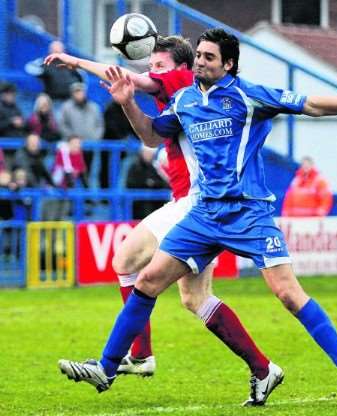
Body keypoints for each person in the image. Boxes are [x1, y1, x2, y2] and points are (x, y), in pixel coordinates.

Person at [57, 28, 337, 408]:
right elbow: (149, 135)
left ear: (228, 64)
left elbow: (310, 104)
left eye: (209, 58)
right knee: (146, 280)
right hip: (204, 214)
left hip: (248, 213)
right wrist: (128, 103)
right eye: (198, 56)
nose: (200, 63)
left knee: (289, 296)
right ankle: (108, 367)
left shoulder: (248, 96)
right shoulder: (184, 101)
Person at [47, 36, 274, 393]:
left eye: (160, 66)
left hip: (195, 202)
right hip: (193, 202)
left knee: (125, 259)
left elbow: (132, 79)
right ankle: (263, 369)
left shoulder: (184, 83)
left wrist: (77, 62)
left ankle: (138, 356)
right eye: (150, 65)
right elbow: (150, 135)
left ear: (183, 69)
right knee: (195, 299)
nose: (152, 73)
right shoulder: (177, 102)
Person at [25, 40, 83, 109]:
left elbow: (82, 77)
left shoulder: (69, 62)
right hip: (53, 101)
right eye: (55, 49)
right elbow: (29, 67)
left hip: (70, 101)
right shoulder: (45, 61)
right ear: (50, 50)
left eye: (59, 49)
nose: (57, 51)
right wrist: (44, 71)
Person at [126, 145, 169, 219]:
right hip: (140, 204)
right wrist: (147, 183)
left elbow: (164, 184)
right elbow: (130, 184)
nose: (148, 155)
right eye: (147, 153)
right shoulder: (135, 167)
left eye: (150, 153)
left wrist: (153, 184)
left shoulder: (156, 167)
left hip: (156, 203)